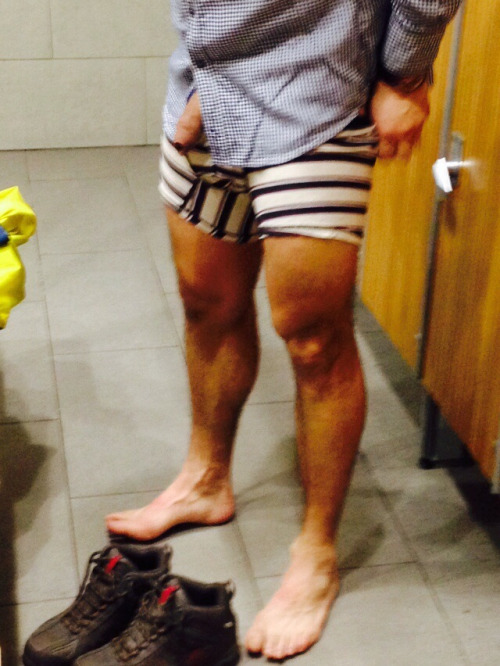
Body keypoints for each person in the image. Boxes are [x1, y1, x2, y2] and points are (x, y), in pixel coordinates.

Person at [106, 1, 461, 660]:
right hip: (202, 84)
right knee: (205, 303)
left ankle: (317, 552)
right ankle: (206, 479)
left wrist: (403, 72)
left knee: (313, 340)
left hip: (316, 95)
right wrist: (203, 67)